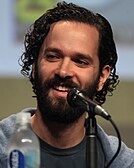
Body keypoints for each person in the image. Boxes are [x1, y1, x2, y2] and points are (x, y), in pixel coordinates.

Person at [0, 1, 134, 168]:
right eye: (53, 56)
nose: (63, 71)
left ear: (102, 77)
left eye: (80, 61)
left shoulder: (122, 162)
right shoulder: (3, 146)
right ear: (34, 66)